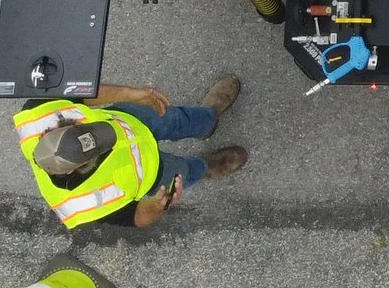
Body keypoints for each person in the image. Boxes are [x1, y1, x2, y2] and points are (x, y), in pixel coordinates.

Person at [14, 76, 248, 229]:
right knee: (184, 172)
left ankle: (208, 120)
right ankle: (206, 167)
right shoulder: (80, 204)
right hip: (155, 174)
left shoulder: (36, 114)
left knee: (173, 119)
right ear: (76, 171)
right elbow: (135, 218)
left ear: (57, 128)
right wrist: (160, 205)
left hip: (131, 120)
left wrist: (127, 93)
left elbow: (81, 93)